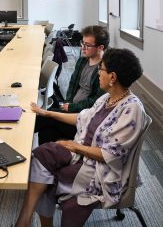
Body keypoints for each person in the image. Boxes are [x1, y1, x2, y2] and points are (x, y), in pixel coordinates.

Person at [15, 48, 149, 227]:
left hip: (102, 171)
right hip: (84, 156)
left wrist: (75, 147)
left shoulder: (132, 110)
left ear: (113, 77)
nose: (98, 73)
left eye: (101, 70)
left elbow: (110, 155)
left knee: (44, 175)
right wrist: (46, 113)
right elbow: (82, 117)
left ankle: (26, 222)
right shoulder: (107, 99)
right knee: (41, 155)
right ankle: (25, 222)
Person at [35, 25, 110, 144]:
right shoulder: (83, 60)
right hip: (72, 110)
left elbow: (96, 101)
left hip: (84, 119)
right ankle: (42, 159)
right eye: (82, 43)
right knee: (47, 130)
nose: (82, 48)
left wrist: (71, 108)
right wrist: (68, 103)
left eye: (87, 45)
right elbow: (72, 84)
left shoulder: (105, 71)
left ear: (100, 47)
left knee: (43, 119)